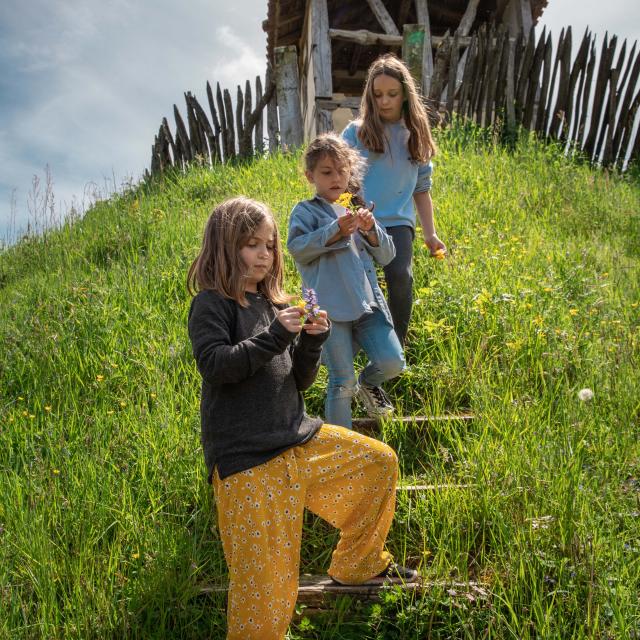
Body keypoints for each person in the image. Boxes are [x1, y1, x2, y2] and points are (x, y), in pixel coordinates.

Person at [187, 197, 417, 640]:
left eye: (269, 246)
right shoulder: (213, 304)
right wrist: (278, 335)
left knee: (377, 463)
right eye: (251, 244)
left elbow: (300, 382)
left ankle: (358, 565)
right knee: (266, 590)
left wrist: (313, 341)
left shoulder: (273, 306)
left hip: (298, 441)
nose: (264, 254)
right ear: (223, 246)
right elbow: (216, 365)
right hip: (247, 462)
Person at [287, 134, 405, 429]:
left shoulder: (358, 207)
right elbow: (297, 248)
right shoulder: (306, 211)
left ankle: (369, 383)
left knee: (393, 361)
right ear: (310, 175)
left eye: (342, 171)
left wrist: (371, 230)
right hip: (329, 308)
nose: (336, 178)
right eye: (327, 172)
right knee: (341, 381)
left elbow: (388, 256)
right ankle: (344, 454)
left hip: (367, 303)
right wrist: (334, 231)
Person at [342, 53, 447, 346]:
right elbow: (337, 177)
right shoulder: (355, 132)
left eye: (392, 94)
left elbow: (422, 190)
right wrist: (351, 209)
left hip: (398, 222)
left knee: (400, 276)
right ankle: (355, 338)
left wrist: (431, 234)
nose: (384, 101)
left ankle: (396, 344)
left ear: (405, 95)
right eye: (378, 95)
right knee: (356, 278)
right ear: (369, 96)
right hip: (359, 219)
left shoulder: (414, 135)